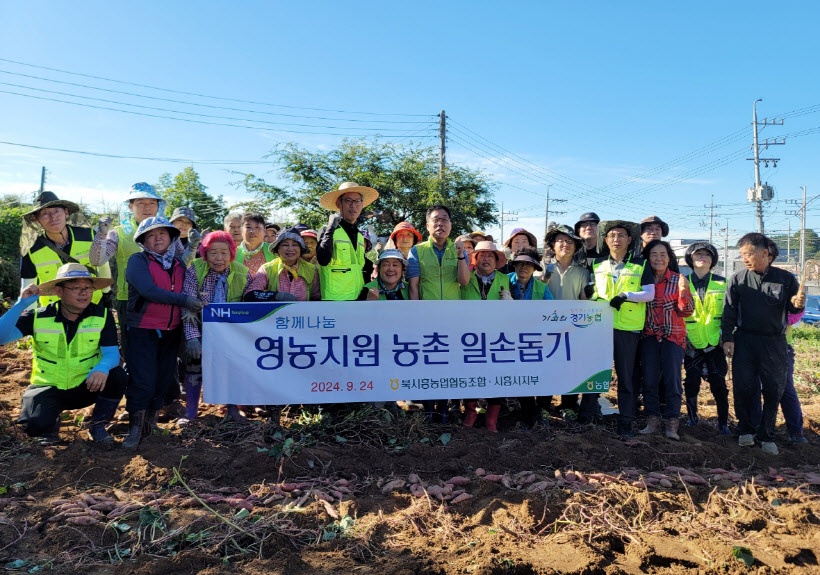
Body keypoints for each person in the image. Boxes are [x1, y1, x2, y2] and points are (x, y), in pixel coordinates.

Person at [0, 264, 127, 444]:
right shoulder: (38, 317)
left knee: (118, 376)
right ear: (59, 291)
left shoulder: (102, 315)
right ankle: (50, 420)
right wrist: (21, 304)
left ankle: (98, 425)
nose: (84, 293)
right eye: (76, 288)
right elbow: (1, 337)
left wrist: (103, 367)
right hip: (49, 387)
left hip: (86, 385)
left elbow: (111, 353)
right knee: (34, 427)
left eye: (88, 288)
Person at [123, 216, 205, 448]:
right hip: (143, 330)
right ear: (143, 240)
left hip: (170, 331)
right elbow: (149, 291)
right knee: (143, 379)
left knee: (163, 379)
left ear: (171, 238)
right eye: (151, 235)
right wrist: (185, 299)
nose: (157, 238)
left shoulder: (178, 264)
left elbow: (191, 286)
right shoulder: (137, 261)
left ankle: (151, 424)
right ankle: (135, 428)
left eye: (162, 234)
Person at [89, 183, 201, 354]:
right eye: (141, 203)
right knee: (135, 354)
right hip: (131, 302)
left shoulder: (169, 231)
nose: (147, 208)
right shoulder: (118, 233)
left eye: (152, 203)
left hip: (169, 300)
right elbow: (97, 261)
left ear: (158, 206)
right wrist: (101, 235)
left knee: (167, 354)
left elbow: (181, 263)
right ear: (130, 206)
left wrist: (192, 247)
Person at [722, 233, 805, 455]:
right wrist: (728, 338)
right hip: (745, 340)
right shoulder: (738, 279)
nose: (744, 259)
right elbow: (728, 311)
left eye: (748, 254)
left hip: (774, 342)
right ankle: (745, 430)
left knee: (773, 388)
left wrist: (797, 305)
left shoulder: (785, 279)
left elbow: (793, 308)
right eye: (742, 256)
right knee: (743, 386)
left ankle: (767, 434)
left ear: (765, 254)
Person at [181, 231, 254, 425]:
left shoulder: (242, 273)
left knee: (232, 367)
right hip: (199, 327)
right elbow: (187, 304)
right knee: (194, 365)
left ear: (231, 253)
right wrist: (192, 338)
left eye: (223, 252)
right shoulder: (196, 269)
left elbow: (250, 307)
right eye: (213, 253)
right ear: (205, 254)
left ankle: (232, 409)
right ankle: (190, 412)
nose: (219, 258)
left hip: (231, 333)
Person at [590, 221, 655, 437]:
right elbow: (593, 292)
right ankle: (589, 414)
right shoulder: (597, 264)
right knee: (594, 371)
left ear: (629, 240)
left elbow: (649, 294)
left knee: (626, 377)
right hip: (600, 326)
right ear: (606, 240)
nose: (616, 239)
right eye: (612, 235)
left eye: (621, 235)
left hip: (627, 328)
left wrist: (626, 296)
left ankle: (626, 420)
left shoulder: (641, 264)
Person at [541, 225, 600, 423]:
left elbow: (584, 299)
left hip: (573, 327)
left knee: (571, 367)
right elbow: (537, 292)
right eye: (560, 241)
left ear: (576, 246)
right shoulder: (543, 267)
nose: (565, 245)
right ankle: (543, 406)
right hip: (545, 327)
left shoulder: (583, 272)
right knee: (546, 366)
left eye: (569, 241)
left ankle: (568, 405)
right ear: (552, 245)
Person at [637, 240, 694, 440]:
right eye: (654, 254)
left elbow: (687, 311)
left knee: (673, 381)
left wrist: (683, 291)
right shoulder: (643, 281)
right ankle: (652, 419)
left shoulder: (678, 279)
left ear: (669, 258)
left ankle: (672, 422)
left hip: (673, 338)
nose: (658, 258)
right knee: (650, 380)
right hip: (650, 336)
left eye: (663, 254)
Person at [19, 191, 111, 308]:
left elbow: (102, 265)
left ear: (66, 212)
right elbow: (28, 287)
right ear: (36, 218)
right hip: (52, 313)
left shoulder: (90, 236)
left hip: (92, 305)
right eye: (45, 213)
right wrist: (29, 316)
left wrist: (107, 293)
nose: (53, 217)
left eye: (57, 211)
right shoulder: (30, 249)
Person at [460, 241, 512, 432]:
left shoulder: (504, 279)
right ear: (475, 258)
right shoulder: (465, 278)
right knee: (470, 374)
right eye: (482, 255)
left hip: (496, 336)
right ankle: (471, 413)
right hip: (469, 336)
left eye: (491, 256)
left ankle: (491, 420)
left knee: (496, 376)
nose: (487, 259)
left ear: (497, 260)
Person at [681, 242, 730, 434]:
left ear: (712, 261)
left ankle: (723, 424)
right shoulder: (682, 282)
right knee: (691, 382)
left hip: (715, 343)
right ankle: (692, 419)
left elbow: (729, 314)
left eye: (707, 255)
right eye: (698, 254)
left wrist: (726, 338)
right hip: (691, 343)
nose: (702, 257)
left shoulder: (722, 283)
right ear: (690, 259)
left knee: (719, 384)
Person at [505, 247, 554, 428]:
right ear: (514, 266)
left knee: (542, 374)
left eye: (528, 265)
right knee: (520, 377)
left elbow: (552, 312)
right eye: (520, 264)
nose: (523, 268)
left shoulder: (541, 288)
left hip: (535, 339)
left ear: (534, 269)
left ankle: (541, 410)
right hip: (509, 339)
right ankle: (529, 414)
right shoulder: (503, 282)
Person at [316, 182, 379, 301]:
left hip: (357, 297)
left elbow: (360, 265)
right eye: (348, 201)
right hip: (334, 300)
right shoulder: (328, 229)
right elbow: (323, 259)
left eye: (357, 201)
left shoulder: (360, 235)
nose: (353, 205)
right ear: (338, 204)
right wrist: (330, 228)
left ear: (362, 205)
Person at [407, 206, 470, 300]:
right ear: (428, 226)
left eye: (444, 220)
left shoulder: (460, 250)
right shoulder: (416, 251)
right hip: (426, 309)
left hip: (452, 308)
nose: (440, 224)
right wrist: (417, 311)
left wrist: (460, 255)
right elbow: (413, 286)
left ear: (450, 225)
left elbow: (464, 282)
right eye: (435, 220)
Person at [245, 229, 321, 302]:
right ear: (278, 249)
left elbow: (316, 297)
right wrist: (276, 296)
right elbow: (249, 294)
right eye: (285, 245)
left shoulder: (311, 270)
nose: (290, 249)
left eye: (294, 245)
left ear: (300, 248)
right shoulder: (267, 269)